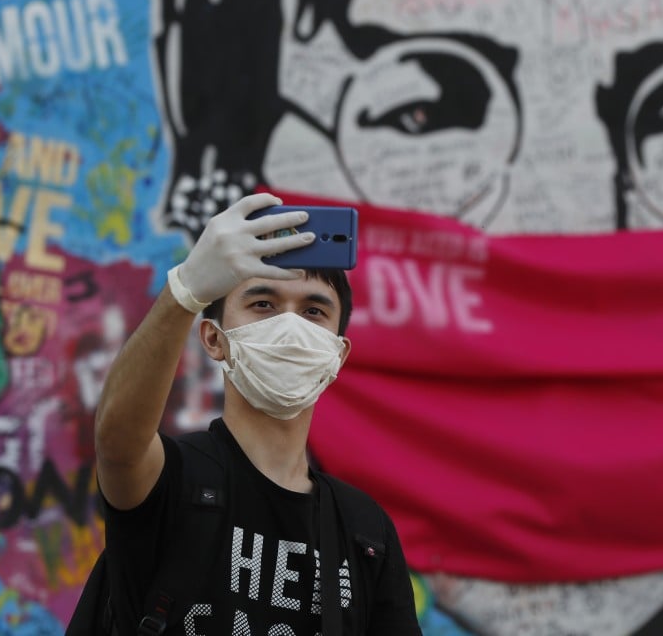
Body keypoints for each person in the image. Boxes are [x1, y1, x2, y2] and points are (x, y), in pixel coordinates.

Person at [94, 192, 421, 634]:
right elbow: (117, 443)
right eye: (263, 304)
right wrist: (185, 289)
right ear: (213, 339)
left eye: (313, 311)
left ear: (337, 355)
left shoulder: (364, 531)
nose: (290, 327)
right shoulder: (172, 479)